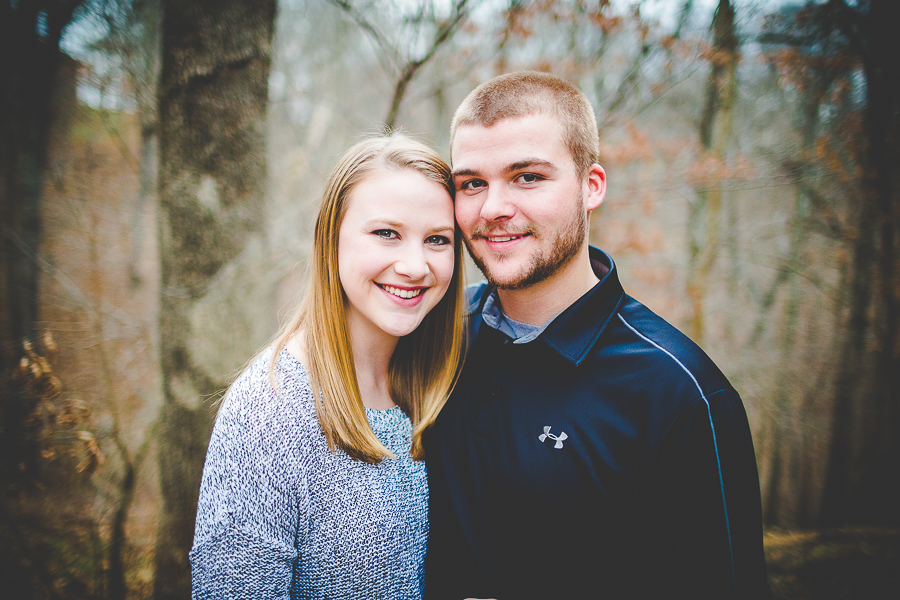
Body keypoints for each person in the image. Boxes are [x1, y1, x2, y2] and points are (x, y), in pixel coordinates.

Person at [423, 71, 770, 599]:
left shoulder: (681, 395)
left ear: (592, 187)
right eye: (472, 183)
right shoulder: (434, 339)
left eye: (528, 177)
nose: (492, 208)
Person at [190, 133, 466, 600]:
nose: (416, 265)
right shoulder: (270, 410)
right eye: (386, 233)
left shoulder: (433, 386)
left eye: (437, 239)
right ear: (330, 237)